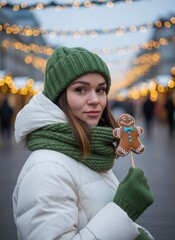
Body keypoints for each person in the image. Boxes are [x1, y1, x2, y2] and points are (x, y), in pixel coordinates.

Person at [13, 47, 154, 240]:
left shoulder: (90, 149)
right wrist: (123, 210)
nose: (95, 100)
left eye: (101, 89)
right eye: (81, 89)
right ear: (59, 96)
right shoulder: (46, 168)